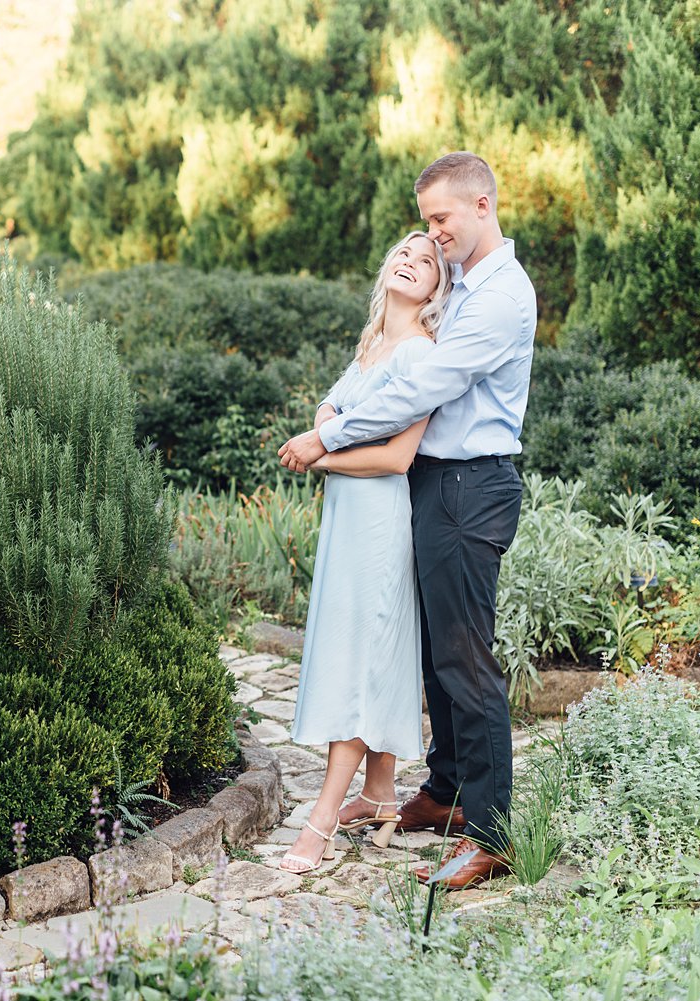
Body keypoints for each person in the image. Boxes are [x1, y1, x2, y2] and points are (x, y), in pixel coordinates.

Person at [278, 152, 536, 888]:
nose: (434, 233)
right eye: (427, 222)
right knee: (432, 655)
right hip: (437, 483)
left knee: (465, 659)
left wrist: (327, 436)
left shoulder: (500, 297)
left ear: (482, 205)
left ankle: (491, 836)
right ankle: (445, 792)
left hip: (469, 485)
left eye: (441, 219)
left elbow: (425, 382)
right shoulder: (465, 286)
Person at [277, 230, 449, 875]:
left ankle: (321, 818)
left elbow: (397, 456)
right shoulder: (374, 344)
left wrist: (321, 455)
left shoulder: (422, 353)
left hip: (379, 522)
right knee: (371, 650)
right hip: (347, 521)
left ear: (437, 288)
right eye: (404, 253)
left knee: (361, 656)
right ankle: (379, 794)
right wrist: (324, 432)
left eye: (426, 261)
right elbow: (331, 405)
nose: (411, 262)